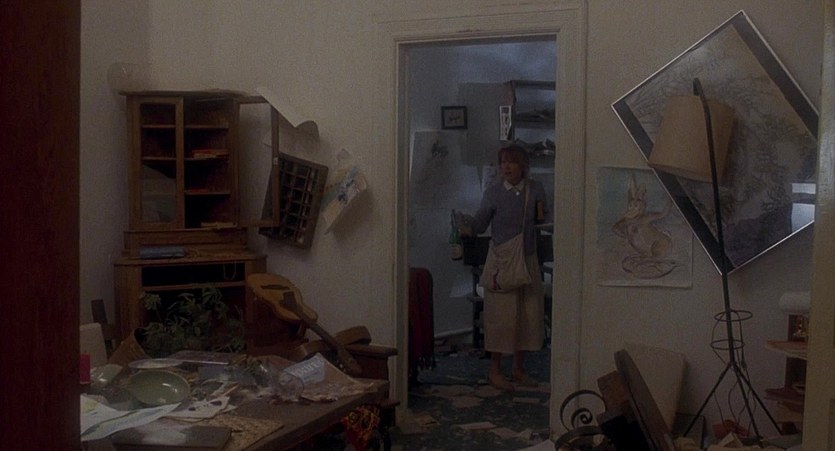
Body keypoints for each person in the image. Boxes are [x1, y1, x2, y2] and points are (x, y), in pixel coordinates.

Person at [457, 144, 551, 390]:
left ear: (523, 165)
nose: (506, 167)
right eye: (503, 162)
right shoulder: (494, 192)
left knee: (528, 315)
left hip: (528, 259)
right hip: (502, 260)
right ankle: (495, 370)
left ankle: (519, 369)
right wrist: (465, 226)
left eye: (512, 161)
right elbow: (480, 223)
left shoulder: (535, 189)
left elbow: (544, 218)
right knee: (502, 316)